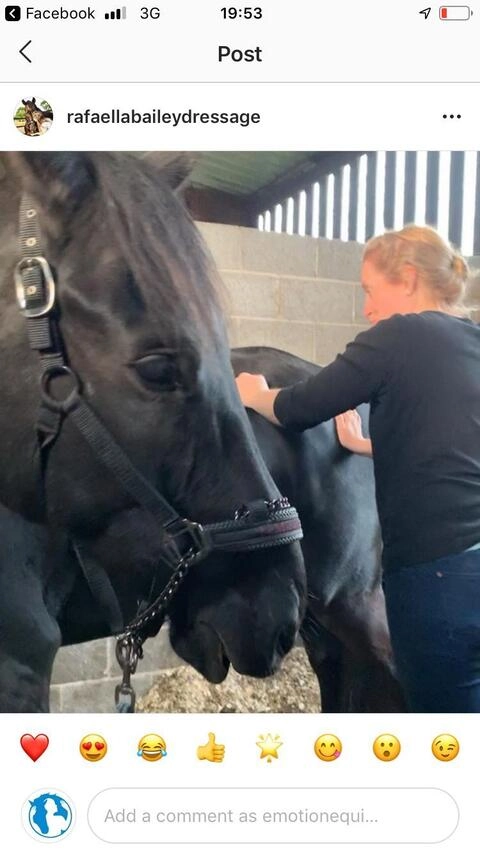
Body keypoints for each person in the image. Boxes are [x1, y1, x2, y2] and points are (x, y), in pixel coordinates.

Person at [235, 225, 480, 713]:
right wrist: (369, 445)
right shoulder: (472, 341)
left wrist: (253, 394)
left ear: (407, 278)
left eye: (370, 290)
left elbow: (302, 406)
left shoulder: (399, 335)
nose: (367, 308)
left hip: (434, 577)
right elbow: (452, 448)